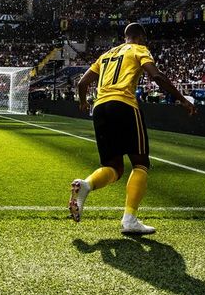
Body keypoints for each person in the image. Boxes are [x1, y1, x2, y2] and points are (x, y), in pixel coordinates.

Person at [71, 22, 196, 235]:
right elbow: (156, 76)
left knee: (114, 167)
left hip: (100, 108)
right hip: (124, 105)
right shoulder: (139, 49)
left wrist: (83, 102)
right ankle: (129, 219)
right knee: (140, 164)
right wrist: (182, 100)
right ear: (140, 37)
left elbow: (82, 84)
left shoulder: (107, 55)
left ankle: (86, 185)